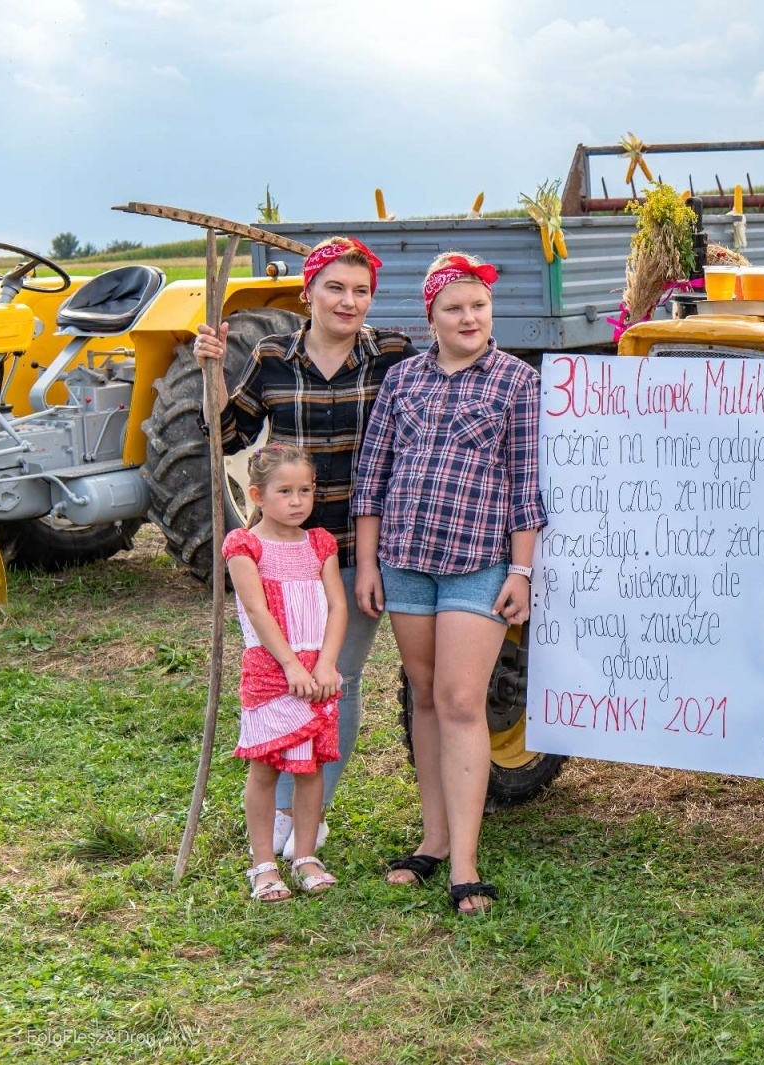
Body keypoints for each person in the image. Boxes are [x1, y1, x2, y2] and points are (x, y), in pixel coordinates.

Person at [195, 236, 412, 861]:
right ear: (307, 292)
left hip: (362, 545)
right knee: (287, 671)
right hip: (289, 553)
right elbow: (225, 433)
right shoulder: (273, 357)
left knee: (336, 675)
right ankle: (285, 806)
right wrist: (211, 374)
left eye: (361, 291)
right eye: (335, 288)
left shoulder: (391, 355)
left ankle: (303, 816)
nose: (349, 301)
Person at [351, 252, 544, 915]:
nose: (469, 318)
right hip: (406, 558)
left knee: (461, 698)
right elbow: (373, 476)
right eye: (454, 307)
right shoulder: (402, 379)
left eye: (479, 306)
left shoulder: (517, 382)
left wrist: (521, 570)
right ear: (430, 315)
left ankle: (465, 862)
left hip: (479, 559)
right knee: (425, 695)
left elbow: (527, 485)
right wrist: (369, 563)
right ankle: (431, 840)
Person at [225, 443, 347, 901]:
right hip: (273, 670)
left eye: (305, 491)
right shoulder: (245, 546)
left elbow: (337, 606)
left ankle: (305, 855)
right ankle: (263, 864)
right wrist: (292, 665)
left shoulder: (320, 544)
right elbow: (258, 611)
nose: (297, 502)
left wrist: (326, 663)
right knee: (264, 768)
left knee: (311, 768)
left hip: (317, 672)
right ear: (257, 495)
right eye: (284, 492)